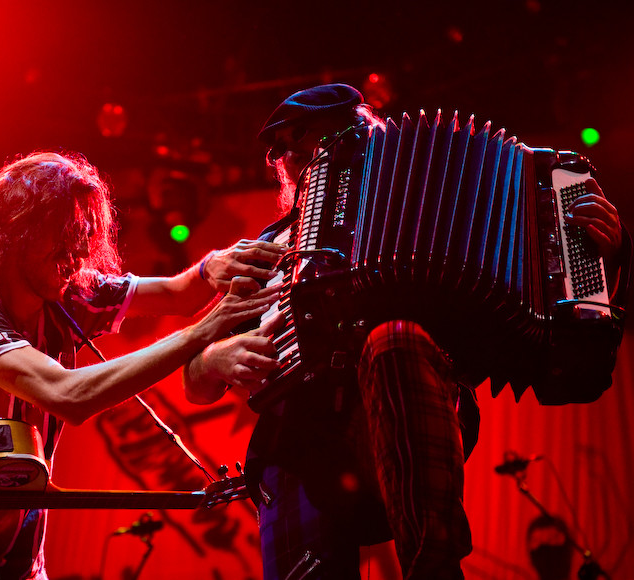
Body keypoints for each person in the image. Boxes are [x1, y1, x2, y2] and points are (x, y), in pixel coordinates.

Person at [183, 84, 629, 579]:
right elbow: (193, 382)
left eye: (318, 139)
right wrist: (212, 361)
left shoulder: (451, 197)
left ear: (364, 135)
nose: (299, 156)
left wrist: (593, 257)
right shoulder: (270, 252)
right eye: (290, 147)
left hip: (413, 428)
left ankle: (434, 569)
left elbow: (571, 335)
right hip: (298, 444)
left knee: (396, 339)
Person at [0, 150, 281, 580]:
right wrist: (203, 332)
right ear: (18, 227)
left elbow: (177, 295)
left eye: (83, 236)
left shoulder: (66, 295)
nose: (77, 253)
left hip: (19, 556)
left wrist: (210, 266)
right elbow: (67, 395)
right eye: (64, 234)